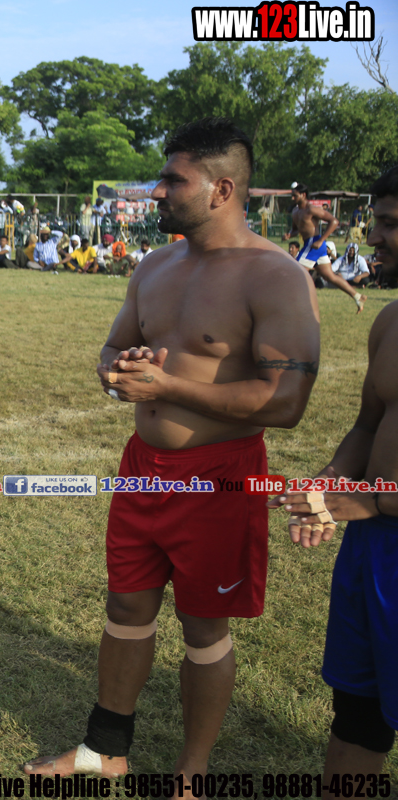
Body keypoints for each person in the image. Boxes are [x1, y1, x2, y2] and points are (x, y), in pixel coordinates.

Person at [24, 117, 320, 778]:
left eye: (172, 180)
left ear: (221, 189)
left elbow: (285, 403)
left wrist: (169, 387)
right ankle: (105, 751)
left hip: (219, 478)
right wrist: (115, 372)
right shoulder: (156, 266)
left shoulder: (275, 276)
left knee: (204, 626)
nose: (157, 192)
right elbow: (114, 346)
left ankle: (191, 775)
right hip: (143, 470)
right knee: (126, 607)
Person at [269, 164, 398, 785]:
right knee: (358, 711)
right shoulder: (390, 323)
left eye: (390, 224)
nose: (373, 237)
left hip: (378, 519)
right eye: (377, 220)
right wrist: (328, 481)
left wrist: (371, 501)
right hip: (372, 552)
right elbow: (369, 427)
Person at [288, 182, 363, 313]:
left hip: (315, 244)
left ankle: (294, 306)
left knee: (296, 273)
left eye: (295, 195)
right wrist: (289, 234)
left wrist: (321, 240)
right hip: (310, 244)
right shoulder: (295, 211)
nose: (292, 198)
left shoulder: (312, 209)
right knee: (330, 277)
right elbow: (296, 229)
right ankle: (358, 297)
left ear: (303, 195)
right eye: (292, 195)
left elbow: (334, 221)